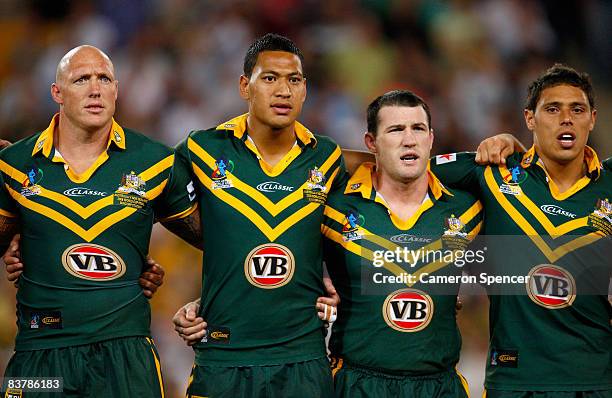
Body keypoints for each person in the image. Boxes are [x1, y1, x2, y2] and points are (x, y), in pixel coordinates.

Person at [0, 45, 201, 398]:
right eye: (81, 79)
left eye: (104, 78)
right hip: (38, 357)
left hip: (127, 357)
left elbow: (224, 238)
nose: (95, 89)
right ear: (57, 93)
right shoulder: (12, 166)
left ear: (116, 90)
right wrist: (19, 237)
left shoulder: (157, 162)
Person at [171, 33, 347, 397]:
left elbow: (390, 188)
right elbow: (130, 197)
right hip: (222, 355)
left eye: (293, 80)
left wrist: (346, 286)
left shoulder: (328, 159)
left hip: (302, 359)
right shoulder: (201, 150)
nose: (283, 90)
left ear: (304, 90)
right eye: (270, 78)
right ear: (244, 86)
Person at [430, 64, 612, 397]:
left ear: (593, 119)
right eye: (552, 109)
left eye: (578, 109)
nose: (566, 118)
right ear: (530, 118)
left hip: (596, 382)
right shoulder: (492, 172)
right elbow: (389, 169)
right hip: (514, 383)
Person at [321, 90, 483, 397]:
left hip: (440, 386)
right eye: (395, 130)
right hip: (356, 384)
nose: (409, 140)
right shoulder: (333, 207)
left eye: (418, 129)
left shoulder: (469, 208)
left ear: (431, 138)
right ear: (371, 143)